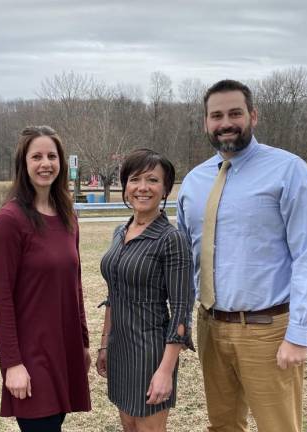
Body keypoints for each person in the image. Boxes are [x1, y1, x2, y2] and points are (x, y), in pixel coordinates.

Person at [177, 79, 307, 432]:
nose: (225, 122)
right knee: (223, 425)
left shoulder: (289, 172)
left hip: (268, 330)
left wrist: (299, 332)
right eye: (216, 115)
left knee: (279, 427)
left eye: (235, 113)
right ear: (205, 123)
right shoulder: (194, 182)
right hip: (211, 327)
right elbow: (185, 258)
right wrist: (181, 318)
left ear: (253, 116)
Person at [0, 125, 91, 432]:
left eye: (52, 156)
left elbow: (75, 284)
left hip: (64, 347)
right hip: (31, 356)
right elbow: (2, 300)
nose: (46, 164)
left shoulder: (67, 216)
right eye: (37, 157)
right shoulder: (9, 222)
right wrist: (12, 364)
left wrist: (83, 343)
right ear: (23, 163)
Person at [96, 149, 194, 432]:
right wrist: (105, 344)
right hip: (120, 348)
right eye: (135, 179)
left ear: (164, 189)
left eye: (152, 180)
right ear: (125, 186)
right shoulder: (120, 231)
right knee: (128, 425)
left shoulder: (170, 239)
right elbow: (113, 294)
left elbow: (181, 311)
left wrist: (165, 371)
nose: (142, 187)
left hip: (150, 352)